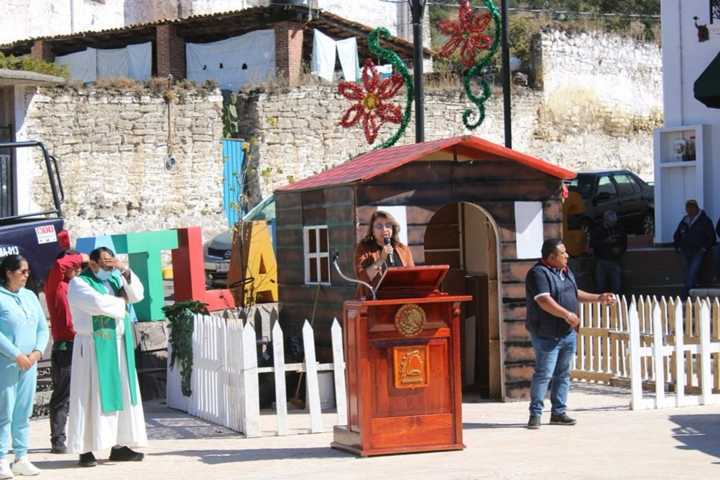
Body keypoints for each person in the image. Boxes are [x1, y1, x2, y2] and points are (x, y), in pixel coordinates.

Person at [67, 247, 147, 467]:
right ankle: (85, 449)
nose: (108, 267)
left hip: (119, 345)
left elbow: (137, 295)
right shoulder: (79, 283)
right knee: (90, 396)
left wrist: (124, 269)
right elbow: (98, 304)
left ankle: (119, 446)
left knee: (123, 394)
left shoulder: (114, 278)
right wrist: (122, 301)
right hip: (93, 347)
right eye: (104, 263)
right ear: (92, 263)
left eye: (111, 262)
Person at [525, 239, 615, 430]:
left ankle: (558, 413)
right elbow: (544, 300)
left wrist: (598, 298)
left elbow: (574, 293)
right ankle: (535, 414)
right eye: (563, 253)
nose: (567, 255)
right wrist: (567, 315)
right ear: (551, 257)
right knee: (544, 374)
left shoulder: (565, 271)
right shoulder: (537, 273)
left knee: (563, 374)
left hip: (567, 333)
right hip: (546, 334)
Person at [0, 255, 49, 477]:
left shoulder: (29, 295)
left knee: (23, 411)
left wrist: (38, 351)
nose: (27, 275)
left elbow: (42, 327)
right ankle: (1, 458)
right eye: (22, 271)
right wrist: (16, 354)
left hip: (29, 364)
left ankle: (21, 457)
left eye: (28, 271)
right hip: (6, 363)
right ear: (9, 272)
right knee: (4, 411)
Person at [44, 250, 88, 454]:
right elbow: (59, 266)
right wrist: (81, 257)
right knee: (62, 395)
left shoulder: (80, 286)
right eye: (73, 264)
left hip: (84, 343)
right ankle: (58, 439)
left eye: (79, 266)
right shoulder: (55, 285)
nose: (77, 268)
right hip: (65, 346)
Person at [354, 210, 414, 298]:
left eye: (388, 225)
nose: (384, 229)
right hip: (373, 299)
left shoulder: (403, 249)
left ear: (393, 229)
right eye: (379, 226)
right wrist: (381, 259)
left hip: (401, 299)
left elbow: (412, 277)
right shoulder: (364, 248)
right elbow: (362, 278)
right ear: (373, 231)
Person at [673, 199, 715, 298]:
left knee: (692, 272)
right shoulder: (684, 220)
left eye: (691, 208)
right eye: (687, 208)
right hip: (684, 251)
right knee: (687, 273)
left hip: (698, 252)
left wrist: (704, 248)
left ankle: (685, 295)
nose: (689, 210)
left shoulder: (705, 220)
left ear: (696, 208)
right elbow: (676, 235)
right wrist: (677, 246)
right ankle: (692, 295)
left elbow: (712, 237)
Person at [589, 210, 627, 294]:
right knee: (600, 286)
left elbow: (624, 243)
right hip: (601, 260)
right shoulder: (598, 230)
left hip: (615, 260)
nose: (613, 224)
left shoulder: (618, 229)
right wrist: (605, 241)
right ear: (605, 220)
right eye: (611, 222)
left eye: (614, 222)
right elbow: (592, 244)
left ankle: (616, 300)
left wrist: (620, 250)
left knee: (616, 286)